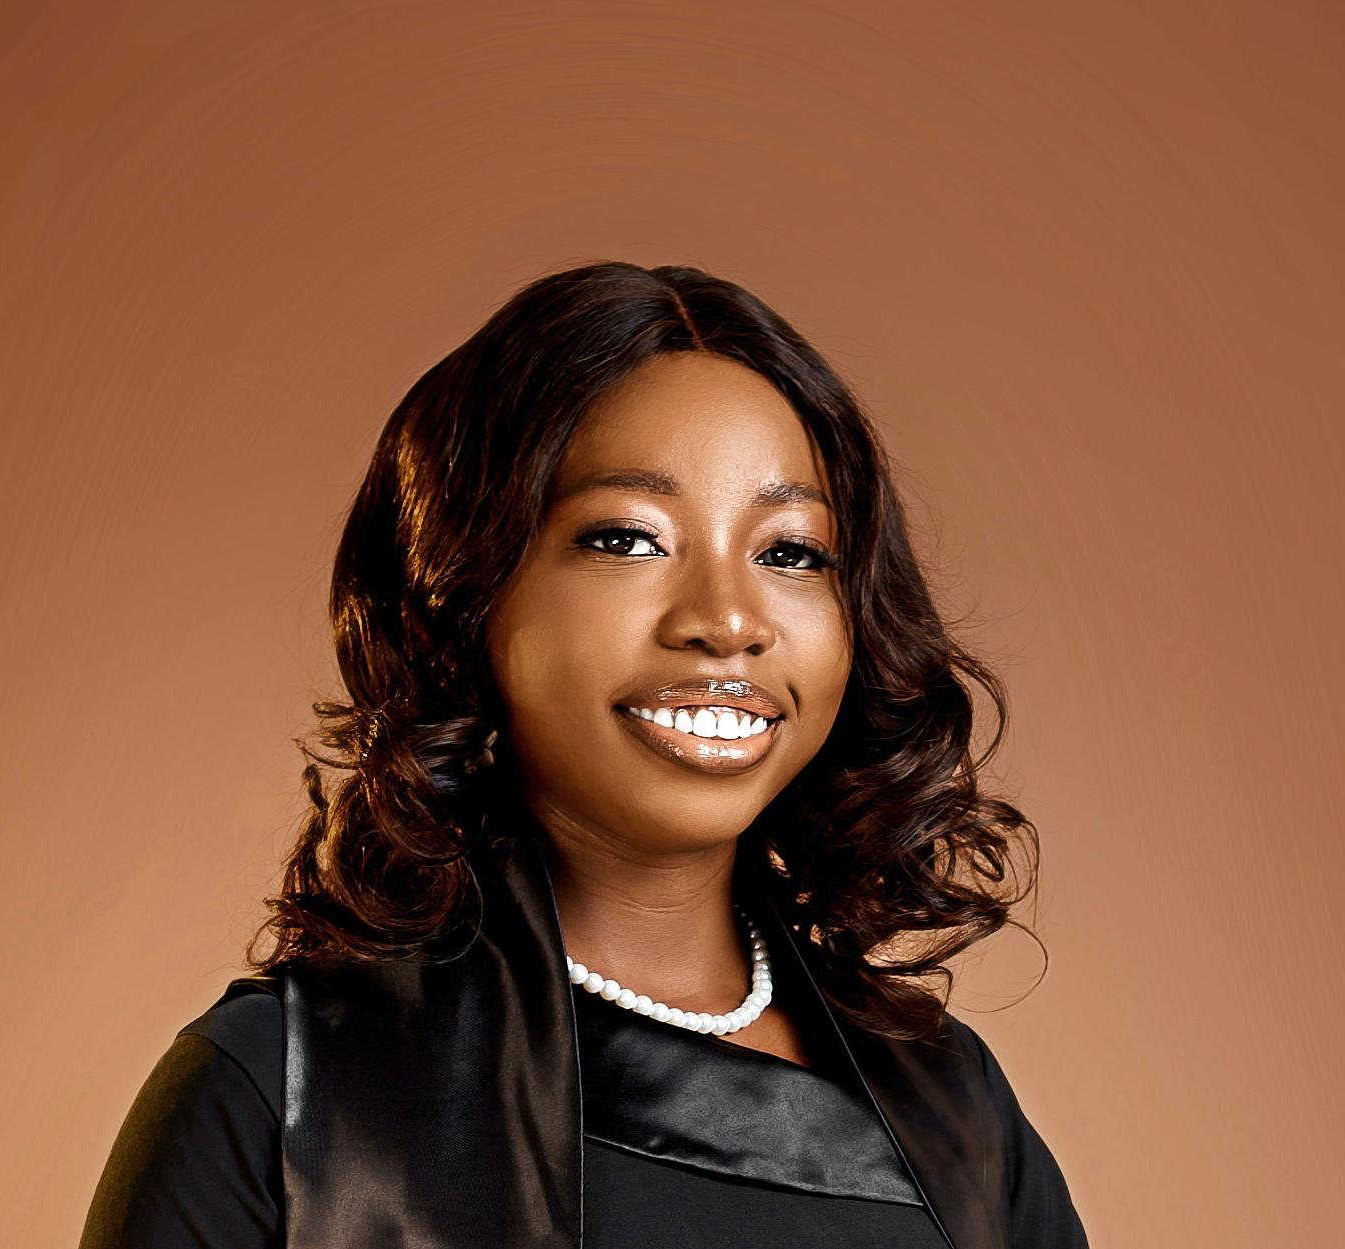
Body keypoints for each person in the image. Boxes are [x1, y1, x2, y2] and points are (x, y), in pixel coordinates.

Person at [79, 261, 1089, 1249]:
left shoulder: (957, 1120)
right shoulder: (282, 1096)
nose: (726, 619)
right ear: (464, 592)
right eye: (627, 539)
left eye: (788, 552)